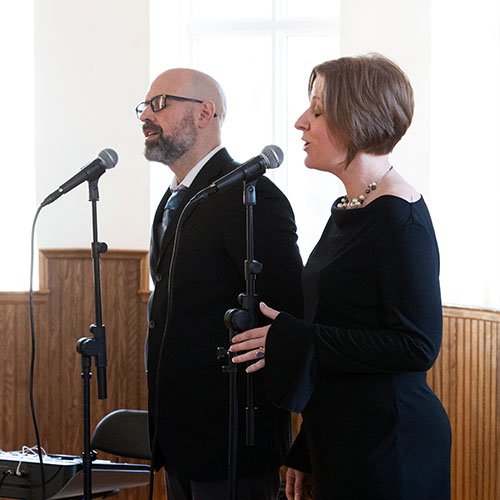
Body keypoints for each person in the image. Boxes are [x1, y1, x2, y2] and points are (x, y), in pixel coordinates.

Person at [230, 54, 451, 500]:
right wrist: (306, 448)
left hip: (390, 447)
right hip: (342, 439)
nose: (301, 122)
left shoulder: (400, 220)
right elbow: (340, 332)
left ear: (357, 118)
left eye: (317, 110)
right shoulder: (350, 208)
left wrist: (293, 339)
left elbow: (417, 345)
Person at [136, 68, 303, 500]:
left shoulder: (251, 195)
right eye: (144, 107)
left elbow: (289, 313)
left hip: (232, 442)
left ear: (204, 113)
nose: (146, 116)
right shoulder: (174, 197)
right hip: (179, 438)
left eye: (159, 104)